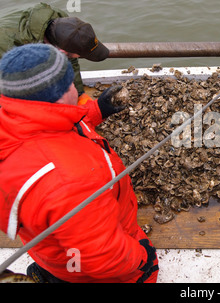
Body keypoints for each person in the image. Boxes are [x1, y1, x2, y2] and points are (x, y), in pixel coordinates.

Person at [0, 44, 158, 283]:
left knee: (58, 251)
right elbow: (105, 257)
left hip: (53, 248)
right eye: (72, 83)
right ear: (63, 94)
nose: (76, 87)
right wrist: (143, 260)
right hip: (83, 269)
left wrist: (97, 110)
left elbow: (56, 124)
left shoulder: (13, 121)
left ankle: (49, 273)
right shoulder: (70, 181)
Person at [0, 2, 109, 104]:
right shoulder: (9, 45)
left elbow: (70, 61)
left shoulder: (62, 22)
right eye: (80, 55)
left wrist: (79, 94)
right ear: (62, 52)